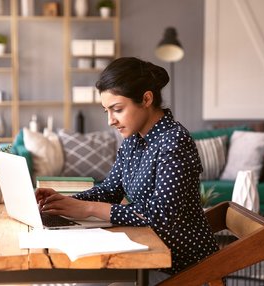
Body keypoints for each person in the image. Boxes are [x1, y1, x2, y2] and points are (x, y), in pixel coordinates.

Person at [35, 57, 219, 284]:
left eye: (117, 109)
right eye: (107, 111)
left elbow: (159, 216)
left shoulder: (174, 141)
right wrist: (64, 201)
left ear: (146, 99)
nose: (111, 120)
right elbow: (110, 190)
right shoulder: (133, 140)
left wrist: (89, 208)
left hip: (182, 267)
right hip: (148, 253)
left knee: (80, 280)